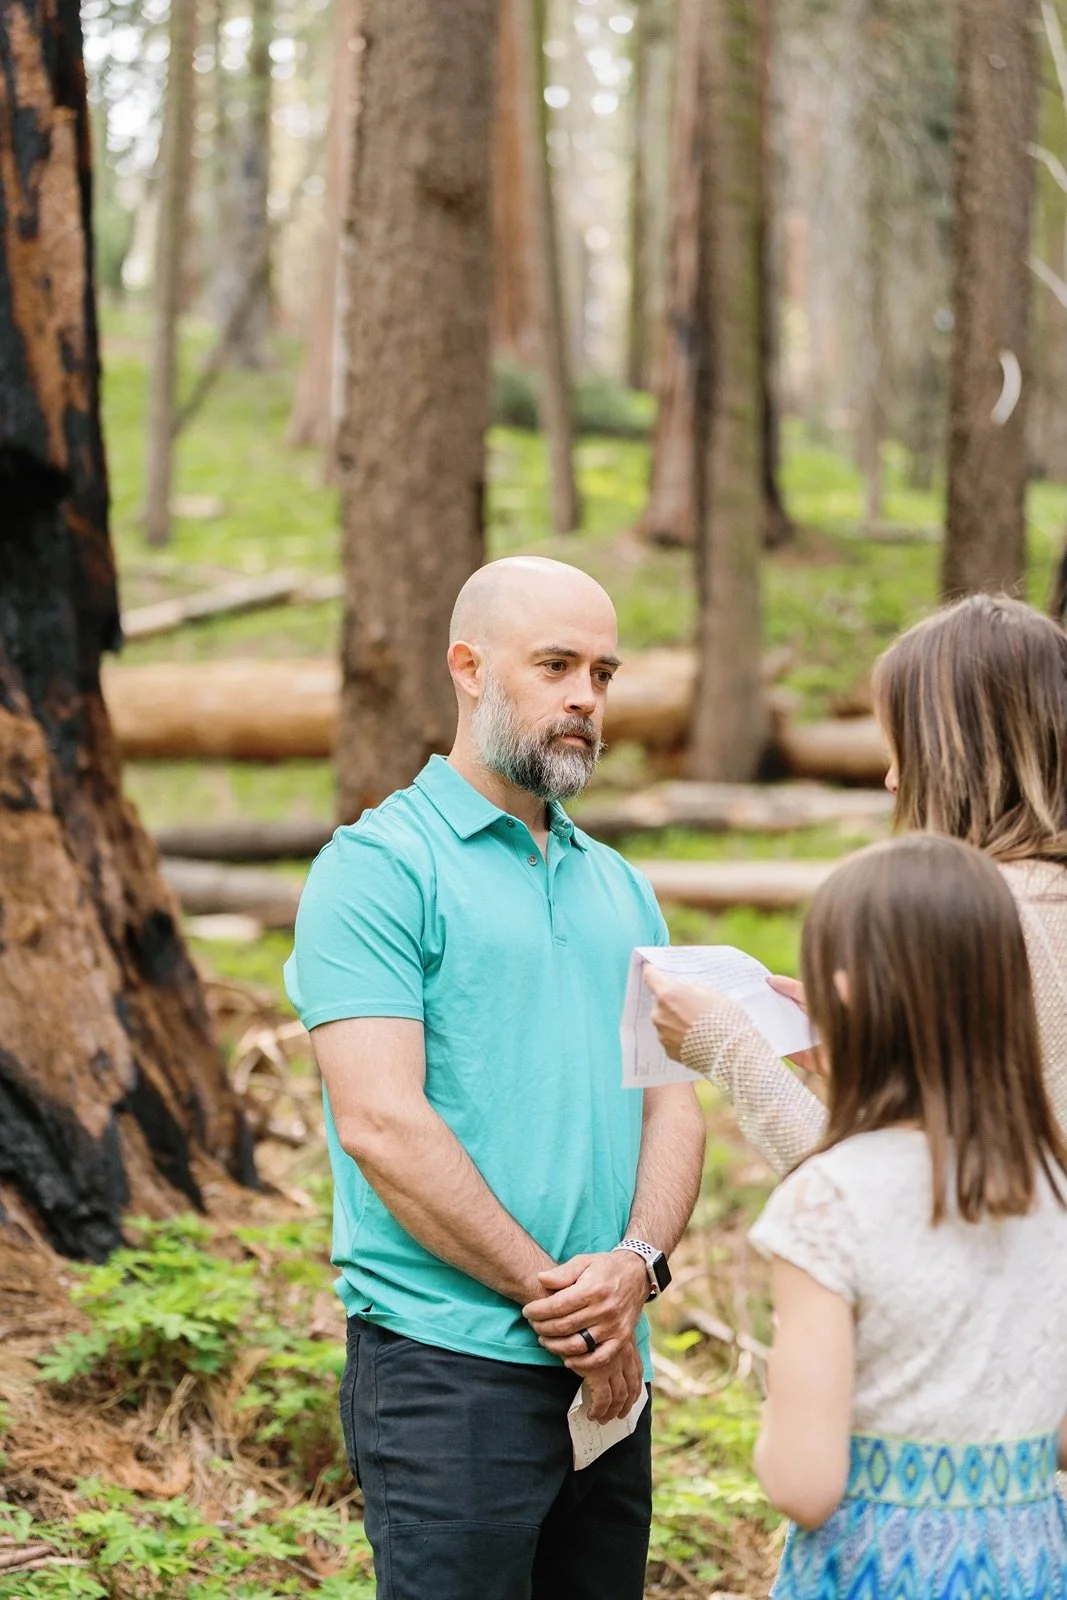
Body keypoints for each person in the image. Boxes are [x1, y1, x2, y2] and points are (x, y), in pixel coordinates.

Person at [284, 556, 706, 1600]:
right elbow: (381, 1122)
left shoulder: (621, 888)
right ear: (468, 669)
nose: (584, 698)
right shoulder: (377, 869)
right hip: (447, 1374)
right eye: (555, 665)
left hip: (610, 1372)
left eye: (602, 673)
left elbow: (671, 1103)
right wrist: (562, 1303)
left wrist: (636, 1266)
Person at [740, 836, 1067, 1595]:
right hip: (1031, 1564)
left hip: (879, 1571)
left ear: (842, 997)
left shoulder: (827, 1201)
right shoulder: (1049, 1183)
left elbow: (803, 1483)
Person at [647, 593, 1067, 1173]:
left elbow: (883, 1196)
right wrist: (867, 1064)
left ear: (960, 755)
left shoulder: (980, 919)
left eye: (905, 750)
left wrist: (728, 1048)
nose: (892, 780)